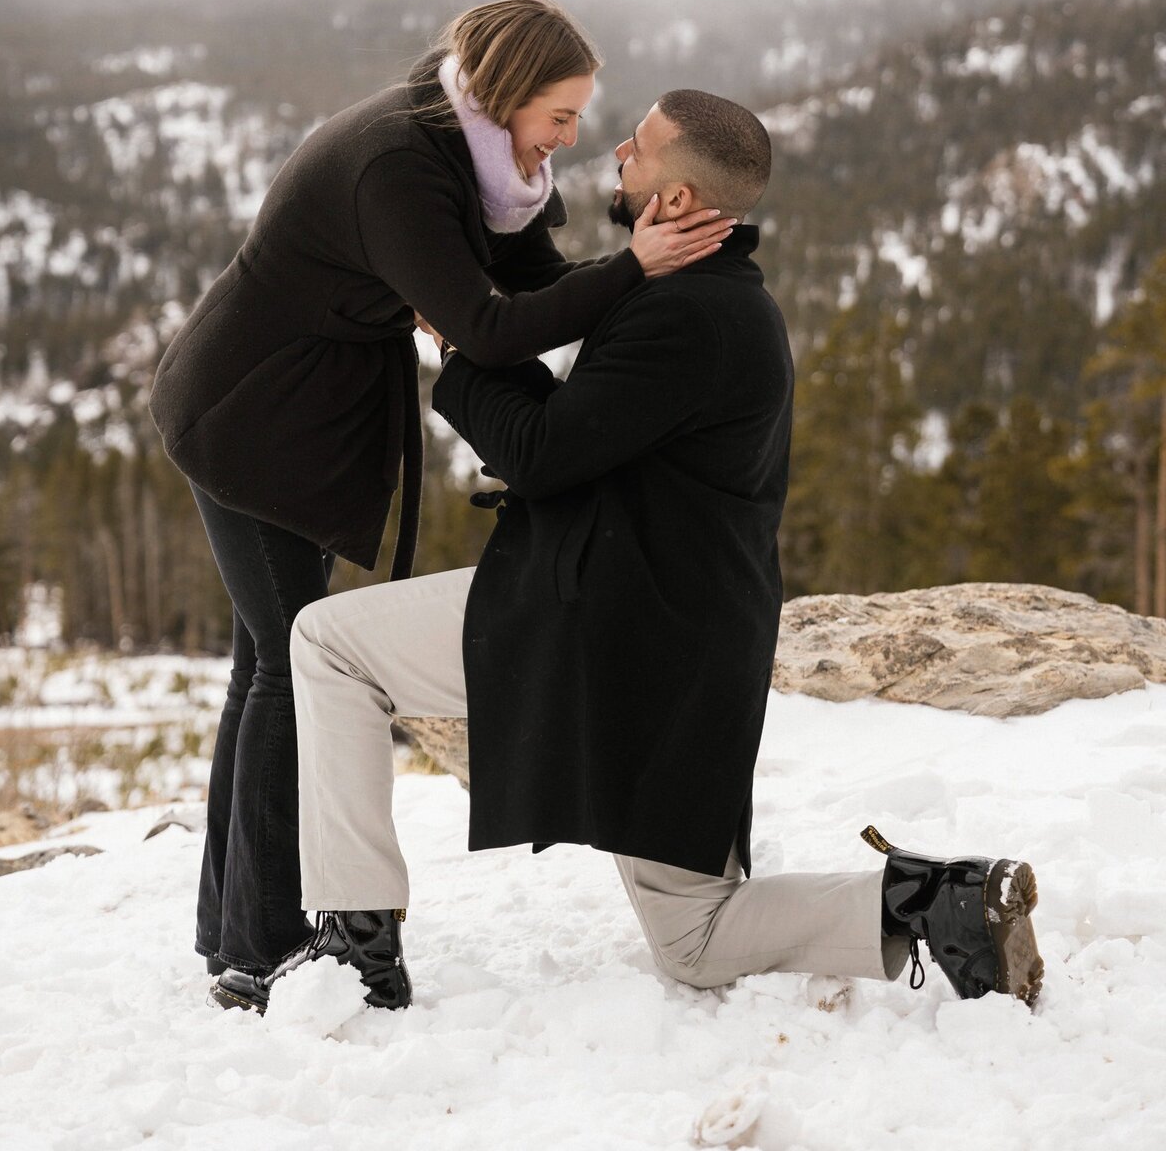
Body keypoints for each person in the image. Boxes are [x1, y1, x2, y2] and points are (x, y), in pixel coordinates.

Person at [265, 87, 1043, 1015]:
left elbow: (546, 454)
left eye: (636, 147)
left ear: (674, 202)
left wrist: (462, 360)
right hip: (688, 638)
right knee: (697, 939)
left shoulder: (688, 321)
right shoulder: (715, 300)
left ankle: (357, 946)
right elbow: (580, 410)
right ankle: (937, 900)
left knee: (327, 644)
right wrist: (484, 314)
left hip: (612, 626)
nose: (615, 153)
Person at [147, 0, 735, 1009]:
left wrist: (649, 272)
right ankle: (258, 950)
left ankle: (232, 932)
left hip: (296, 415)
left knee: (267, 661)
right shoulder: (401, 168)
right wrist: (630, 269)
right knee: (290, 665)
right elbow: (489, 329)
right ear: (505, 97)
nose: (571, 136)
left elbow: (538, 280)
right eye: (560, 114)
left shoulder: (490, 168)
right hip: (247, 417)